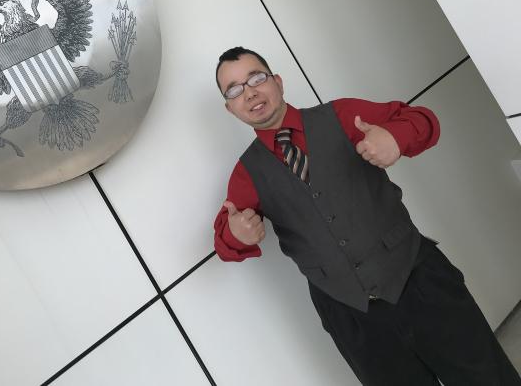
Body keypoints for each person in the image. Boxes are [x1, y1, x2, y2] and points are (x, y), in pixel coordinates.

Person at [213, 46, 520, 386]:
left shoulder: (342, 115)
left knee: (489, 379)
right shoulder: (246, 173)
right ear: (231, 109)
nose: (250, 91)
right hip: (353, 319)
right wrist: (236, 235)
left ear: (278, 82)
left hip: (420, 283)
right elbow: (225, 239)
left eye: (257, 77)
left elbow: (422, 119)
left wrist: (395, 137)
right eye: (235, 89)